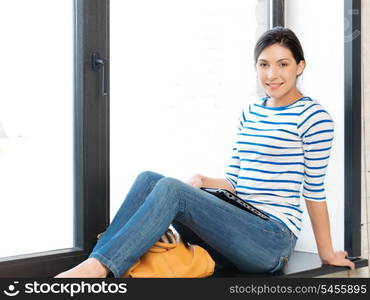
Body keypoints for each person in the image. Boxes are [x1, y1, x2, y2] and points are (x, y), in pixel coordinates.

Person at [54, 26, 355, 278]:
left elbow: (314, 190)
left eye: (283, 64)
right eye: (264, 64)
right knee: (149, 179)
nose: (272, 74)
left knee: (172, 189)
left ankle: (99, 268)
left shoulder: (314, 117)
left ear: (300, 66)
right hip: (235, 224)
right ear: (255, 67)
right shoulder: (251, 112)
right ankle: (96, 261)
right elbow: (236, 182)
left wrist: (327, 254)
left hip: (270, 240)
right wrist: (203, 180)